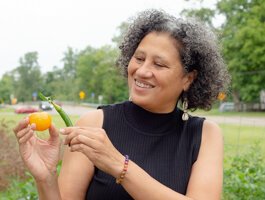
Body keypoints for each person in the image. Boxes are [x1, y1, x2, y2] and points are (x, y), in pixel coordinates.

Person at [13, 9, 230, 200]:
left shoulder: (205, 135)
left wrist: (118, 165)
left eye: (159, 64)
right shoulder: (93, 125)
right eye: (139, 58)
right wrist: (45, 177)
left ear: (188, 78)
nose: (142, 71)